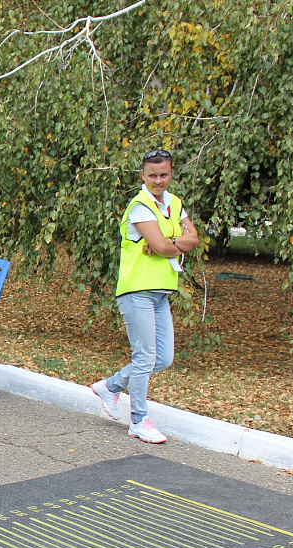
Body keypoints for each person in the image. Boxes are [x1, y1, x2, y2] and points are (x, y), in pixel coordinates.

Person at [91, 149, 199, 444]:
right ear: (143, 175)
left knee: (163, 358)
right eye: (152, 175)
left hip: (161, 291)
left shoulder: (174, 203)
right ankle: (138, 420)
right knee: (145, 357)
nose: (158, 180)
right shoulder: (140, 206)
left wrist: (170, 241)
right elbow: (162, 247)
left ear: (172, 174)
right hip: (136, 290)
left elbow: (193, 239)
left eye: (164, 174)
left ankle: (110, 387)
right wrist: (173, 243)